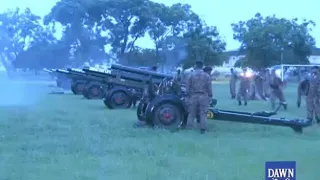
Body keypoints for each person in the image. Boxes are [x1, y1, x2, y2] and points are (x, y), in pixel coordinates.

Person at [185, 61, 212, 134]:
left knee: (191, 113)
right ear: (202, 66)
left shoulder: (190, 75)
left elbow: (187, 88)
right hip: (203, 96)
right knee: (203, 113)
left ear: (195, 65)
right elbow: (209, 88)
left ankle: (189, 129)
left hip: (193, 96)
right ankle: (203, 129)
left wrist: (187, 96)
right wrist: (210, 96)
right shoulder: (206, 76)